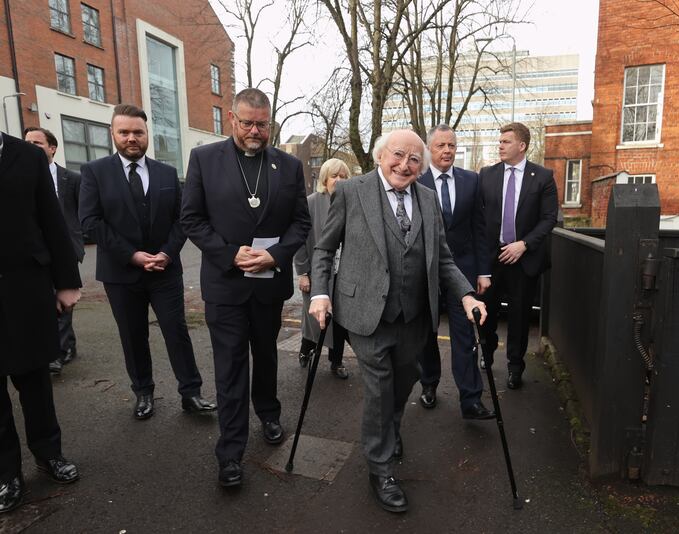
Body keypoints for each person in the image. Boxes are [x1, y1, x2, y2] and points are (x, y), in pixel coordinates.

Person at [309, 129, 487, 513]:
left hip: (414, 314)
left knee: (404, 382)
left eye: (412, 159)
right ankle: (381, 468)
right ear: (379, 155)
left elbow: (443, 259)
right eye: (397, 155)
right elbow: (324, 249)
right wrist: (320, 293)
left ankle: (388, 432)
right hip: (366, 313)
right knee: (378, 387)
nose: (404, 165)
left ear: (420, 166)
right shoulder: (351, 192)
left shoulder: (426, 197)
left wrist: (466, 293)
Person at [181, 88, 311, 488]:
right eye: (247, 123)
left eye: (262, 124)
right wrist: (227, 254)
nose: (255, 131)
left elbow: (301, 224)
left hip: (269, 284)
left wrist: (276, 256)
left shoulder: (288, 166)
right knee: (231, 366)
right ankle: (230, 452)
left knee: (266, 355)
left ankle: (269, 413)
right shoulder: (204, 159)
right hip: (226, 284)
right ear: (232, 120)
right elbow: (191, 219)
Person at [80, 104, 216, 420]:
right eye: (124, 132)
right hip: (120, 273)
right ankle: (143, 393)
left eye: (138, 132)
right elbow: (90, 222)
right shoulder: (94, 172)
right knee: (133, 335)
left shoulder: (167, 173)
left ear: (147, 135)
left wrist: (167, 253)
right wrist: (132, 255)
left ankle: (191, 393)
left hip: (164, 271)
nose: (131, 138)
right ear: (113, 133)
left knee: (176, 331)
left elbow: (183, 219)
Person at [0, 132, 82, 514]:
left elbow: (52, 222)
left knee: (35, 380)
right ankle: (5, 473)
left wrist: (66, 282)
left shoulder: (27, 157)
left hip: (25, 288)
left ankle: (49, 454)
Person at [416, 125, 494, 419]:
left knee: (464, 334)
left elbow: (480, 228)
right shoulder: (416, 180)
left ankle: (471, 399)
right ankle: (429, 384)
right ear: (429, 149)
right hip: (425, 271)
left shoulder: (471, 181)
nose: (447, 150)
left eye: (451, 145)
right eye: (441, 146)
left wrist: (483, 271)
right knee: (427, 332)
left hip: (461, 270)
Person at [478, 122, 557, 390]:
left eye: (506, 141)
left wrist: (523, 244)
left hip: (524, 258)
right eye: (499, 141)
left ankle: (515, 366)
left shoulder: (543, 177)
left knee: (520, 316)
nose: (500, 145)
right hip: (492, 257)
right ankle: (486, 355)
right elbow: (479, 216)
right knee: (486, 311)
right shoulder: (486, 174)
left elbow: (549, 219)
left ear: (522, 146)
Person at [24, 127, 85, 375]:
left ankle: (60, 352)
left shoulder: (72, 178)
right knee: (45, 301)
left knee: (63, 299)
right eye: (27, 142)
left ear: (52, 148)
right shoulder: (22, 177)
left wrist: (80, 239)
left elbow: (82, 211)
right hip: (35, 251)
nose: (31, 146)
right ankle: (61, 346)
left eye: (37, 143)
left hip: (66, 248)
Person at [294, 158, 351, 379]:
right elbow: (300, 239)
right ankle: (305, 348)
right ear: (325, 179)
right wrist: (302, 272)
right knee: (316, 319)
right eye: (334, 175)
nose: (339, 180)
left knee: (340, 321)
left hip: (344, 275)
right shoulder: (311, 202)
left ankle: (336, 362)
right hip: (318, 274)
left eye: (343, 176)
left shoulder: (351, 202)